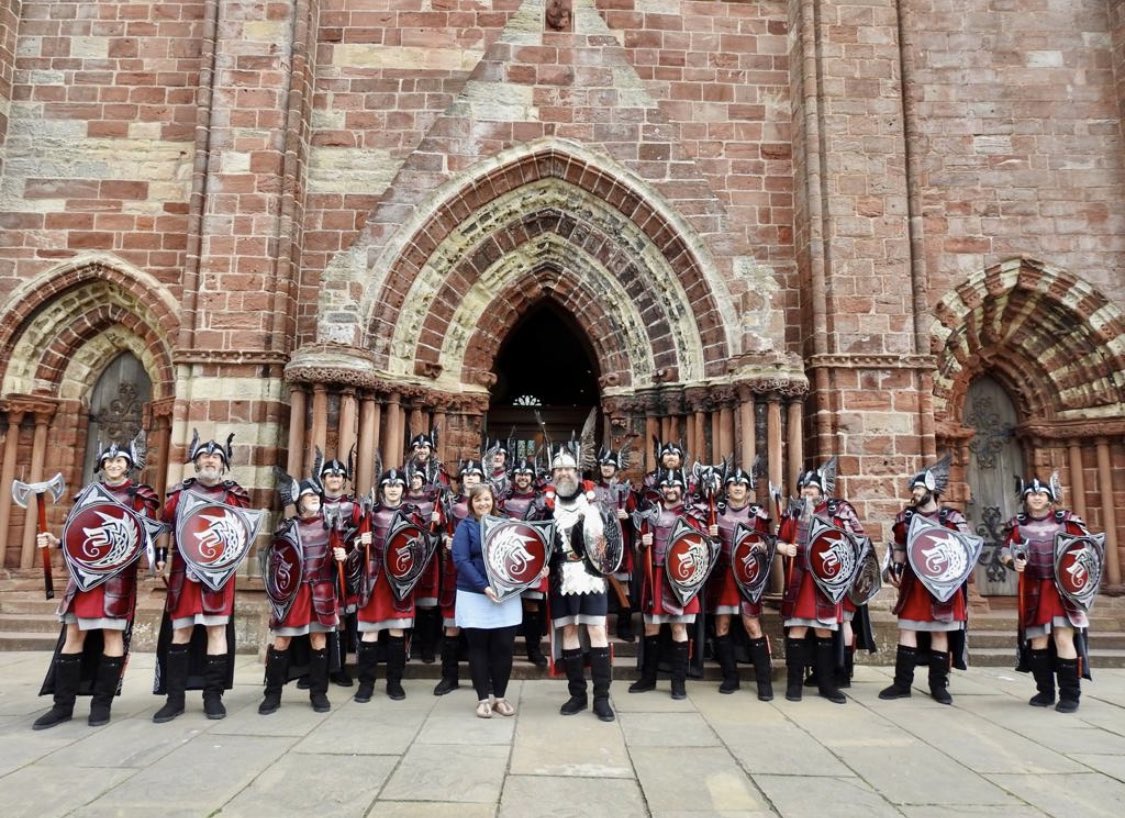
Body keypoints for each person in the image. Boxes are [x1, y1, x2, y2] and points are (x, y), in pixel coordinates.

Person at [32, 435, 160, 729]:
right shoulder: (87, 495)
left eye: (119, 461)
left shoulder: (141, 496)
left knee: (111, 637)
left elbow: (145, 538)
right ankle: (62, 706)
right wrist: (56, 542)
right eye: (108, 461)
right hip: (83, 579)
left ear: (128, 465)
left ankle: (101, 705)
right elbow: (77, 536)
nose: (113, 465)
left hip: (117, 579)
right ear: (101, 465)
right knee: (74, 634)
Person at [153, 430, 255, 723]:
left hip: (218, 575)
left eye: (215, 457)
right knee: (181, 631)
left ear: (223, 465)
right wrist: (160, 557)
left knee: (216, 631)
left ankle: (213, 696)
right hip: (184, 573)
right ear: (195, 462)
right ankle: (175, 699)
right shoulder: (179, 494)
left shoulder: (234, 496)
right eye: (204, 456)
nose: (210, 460)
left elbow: (244, 531)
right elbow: (165, 527)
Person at [879, 454, 970, 705]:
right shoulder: (905, 519)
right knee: (907, 629)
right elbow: (898, 545)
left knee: (939, 633)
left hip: (942, 586)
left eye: (918, 487)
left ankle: (938, 685)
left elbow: (967, 550)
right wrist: (894, 568)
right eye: (914, 488)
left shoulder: (952, 519)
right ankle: (902, 683)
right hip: (914, 583)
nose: (914, 492)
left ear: (932, 488)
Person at [1002, 473, 1095, 713]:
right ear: (1025, 497)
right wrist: (1013, 562)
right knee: (1037, 642)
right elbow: (1005, 553)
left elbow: (1088, 550)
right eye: (1031, 494)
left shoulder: (1068, 521)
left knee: (1064, 637)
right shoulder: (1017, 524)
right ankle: (1045, 692)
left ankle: (1070, 695)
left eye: (1041, 494)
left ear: (1050, 497)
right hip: (1033, 589)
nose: (1036, 497)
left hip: (1063, 590)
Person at [776, 457, 865, 704]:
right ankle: (794, 685)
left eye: (812, 487)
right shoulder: (792, 512)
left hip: (827, 583)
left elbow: (857, 541)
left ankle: (827, 684)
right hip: (800, 580)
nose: (807, 491)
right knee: (797, 629)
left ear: (822, 489)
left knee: (824, 631)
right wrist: (784, 550)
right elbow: (778, 540)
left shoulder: (838, 512)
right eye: (804, 487)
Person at [259, 476, 347, 714]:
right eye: (310, 496)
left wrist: (341, 557)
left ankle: (318, 693)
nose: (315, 499)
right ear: (299, 501)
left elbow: (339, 557)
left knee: (318, 641)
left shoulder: (330, 526)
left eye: (317, 495)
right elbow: (277, 564)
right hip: (293, 594)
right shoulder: (286, 527)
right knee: (281, 641)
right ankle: (272, 694)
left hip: (321, 591)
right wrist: (275, 600)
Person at [542, 446, 616, 721]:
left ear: (577, 472)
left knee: (597, 632)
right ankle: (577, 695)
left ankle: (602, 698)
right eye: (559, 469)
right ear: (553, 474)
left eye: (568, 468)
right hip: (561, 577)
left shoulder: (596, 501)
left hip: (592, 576)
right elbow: (539, 544)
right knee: (569, 632)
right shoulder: (544, 507)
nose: (564, 473)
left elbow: (610, 539)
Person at [630, 468, 708, 700]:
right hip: (655, 576)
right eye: (666, 486)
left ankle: (678, 682)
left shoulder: (693, 515)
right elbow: (637, 545)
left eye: (674, 486)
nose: (670, 490)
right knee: (652, 627)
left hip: (680, 580)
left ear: (682, 489)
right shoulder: (650, 513)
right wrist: (642, 544)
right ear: (660, 489)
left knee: (679, 628)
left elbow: (704, 547)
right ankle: (648, 678)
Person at [349, 468, 422, 702]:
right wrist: (361, 542)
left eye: (398, 485)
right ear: (382, 489)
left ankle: (394, 683)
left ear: (403, 489)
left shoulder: (412, 514)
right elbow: (355, 546)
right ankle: (366, 684)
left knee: (397, 630)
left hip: (399, 580)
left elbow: (421, 545)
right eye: (389, 485)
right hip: (373, 578)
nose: (393, 489)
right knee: (370, 631)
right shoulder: (371, 513)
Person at [452, 483, 523, 718]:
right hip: (474, 595)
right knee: (478, 647)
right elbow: (461, 560)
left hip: (505, 595)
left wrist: (535, 571)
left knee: (503, 647)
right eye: (478, 500)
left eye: (487, 499)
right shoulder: (466, 527)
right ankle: (483, 699)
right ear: (471, 504)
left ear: (494, 501)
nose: (483, 503)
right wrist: (483, 586)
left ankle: (500, 698)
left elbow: (519, 552)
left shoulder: (505, 523)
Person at [706, 465, 774, 700]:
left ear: (748, 490)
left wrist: (764, 546)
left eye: (741, 485)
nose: (737, 488)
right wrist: (710, 533)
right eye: (733, 484)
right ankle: (730, 677)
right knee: (721, 626)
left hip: (747, 577)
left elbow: (768, 545)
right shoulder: (716, 511)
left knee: (752, 626)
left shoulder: (758, 514)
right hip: (722, 576)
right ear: (726, 489)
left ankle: (764, 682)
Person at [433, 458, 484, 696]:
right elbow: (440, 530)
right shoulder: (450, 504)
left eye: (476, 475)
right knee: (451, 626)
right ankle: (449, 677)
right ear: (461, 479)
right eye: (467, 475)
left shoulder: (490, 508)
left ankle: (479, 678)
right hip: (455, 571)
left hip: (483, 573)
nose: (471, 478)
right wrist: (444, 539)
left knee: (477, 629)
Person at [500, 457, 548, 668]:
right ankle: (505, 651)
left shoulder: (542, 502)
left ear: (532, 476)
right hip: (506, 558)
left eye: (526, 473)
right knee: (507, 605)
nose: (522, 477)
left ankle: (534, 649)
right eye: (519, 474)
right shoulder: (502, 500)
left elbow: (549, 531)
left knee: (532, 605)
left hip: (532, 558)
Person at [318, 451, 360, 687]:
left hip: (344, 569)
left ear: (345, 480)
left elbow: (362, 536)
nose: (334, 478)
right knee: (317, 618)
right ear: (323, 478)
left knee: (341, 618)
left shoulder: (353, 507)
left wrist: (351, 549)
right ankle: (316, 669)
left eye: (339, 475)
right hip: (318, 570)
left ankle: (339, 668)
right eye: (330, 475)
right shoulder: (313, 503)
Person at [591, 447, 637, 642]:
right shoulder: (591, 490)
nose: (606, 468)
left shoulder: (626, 490)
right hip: (598, 544)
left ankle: (624, 627)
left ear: (616, 467)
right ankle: (599, 624)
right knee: (598, 585)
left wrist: (629, 516)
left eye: (610, 464)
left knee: (622, 586)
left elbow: (640, 518)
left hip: (621, 545)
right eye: (603, 464)